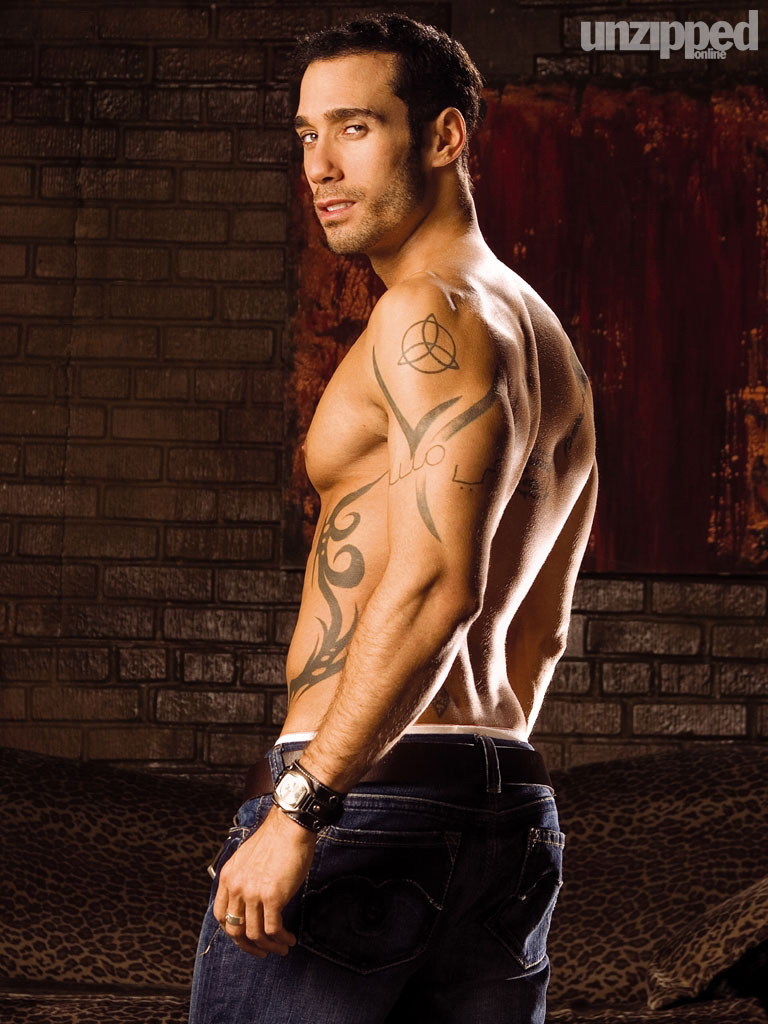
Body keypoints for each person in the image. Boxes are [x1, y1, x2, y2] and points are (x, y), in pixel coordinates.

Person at [188, 13, 597, 1024]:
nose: (320, 166)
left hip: (363, 798)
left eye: (356, 127)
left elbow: (435, 584)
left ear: (446, 136)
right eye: (307, 133)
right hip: (506, 801)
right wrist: (465, 798)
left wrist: (302, 807)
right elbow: (540, 630)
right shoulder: (546, 340)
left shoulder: (429, 310)